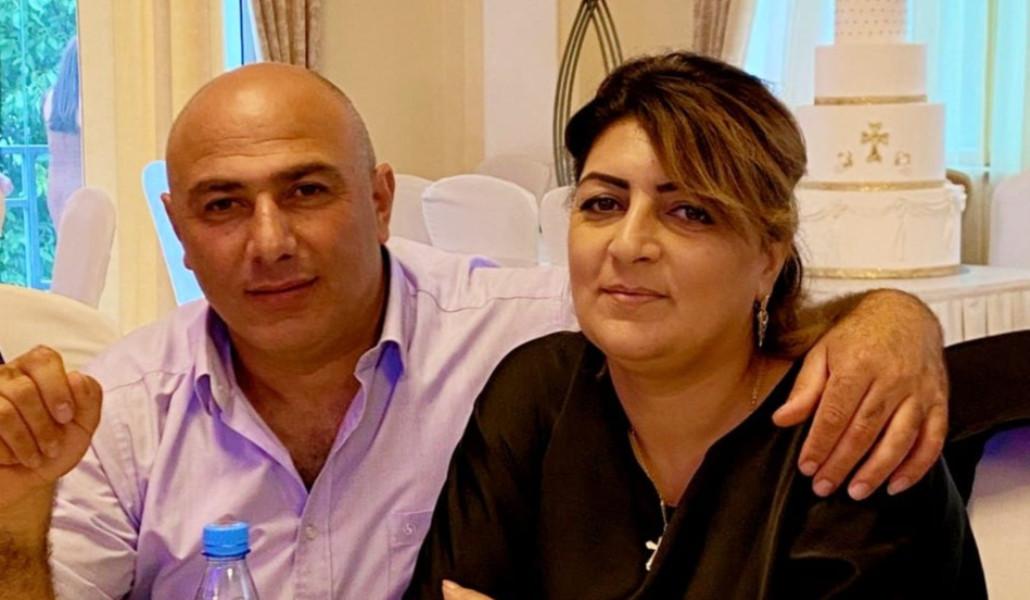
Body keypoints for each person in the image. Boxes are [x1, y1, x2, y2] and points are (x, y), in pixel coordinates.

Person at [0, 63, 951, 599]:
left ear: (380, 201)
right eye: (222, 205)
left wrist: (891, 318)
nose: (271, 241)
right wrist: (14, 515)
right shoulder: (543, 384)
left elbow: (717, 326)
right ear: (178, 229)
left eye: (308, 190)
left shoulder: (843, 441)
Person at [405, 52, 985, 599]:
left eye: (689, 212)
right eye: (603, 204)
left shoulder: (849, 428)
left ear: (769, 256)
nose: (628, 244)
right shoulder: (537, 392)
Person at [42, 37, 83, 231]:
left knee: (66, 243)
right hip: (82, 184)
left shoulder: (50, 99)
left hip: (56, 185)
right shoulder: (88, 103)